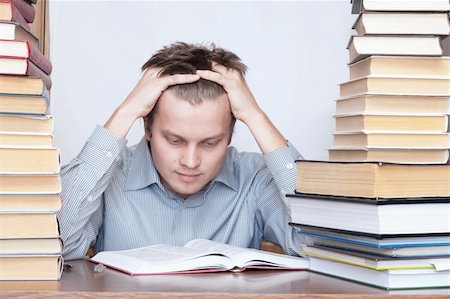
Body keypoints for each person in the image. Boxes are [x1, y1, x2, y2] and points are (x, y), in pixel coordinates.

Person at [58, 42, 303, 260]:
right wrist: (125, 112)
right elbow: (59, 245)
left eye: (210, 143)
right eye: (175, 140)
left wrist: (256, 116)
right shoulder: (111, 175)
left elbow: (313, 245)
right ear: (148, 127)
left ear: (229, 134)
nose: (190, 161)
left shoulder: (254, 178)